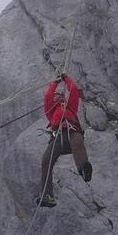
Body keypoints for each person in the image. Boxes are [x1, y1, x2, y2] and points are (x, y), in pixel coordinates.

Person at [36, 73, 92, 208]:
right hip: (59, 136)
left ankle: (83, 168)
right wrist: (55, 83)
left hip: (72, 131)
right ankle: (47, 196)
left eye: (60, 96)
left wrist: (66, 78)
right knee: (46, 161)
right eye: (57, 96)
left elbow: (73, 91)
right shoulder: (50, 111)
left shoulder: (71, 107)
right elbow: (48, 97)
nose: (59, 97)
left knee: (77, 144)